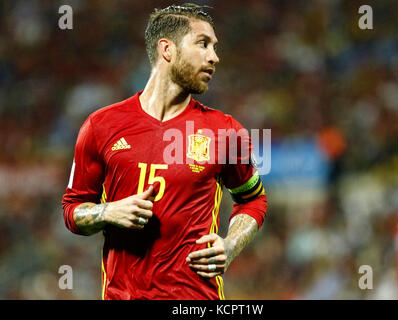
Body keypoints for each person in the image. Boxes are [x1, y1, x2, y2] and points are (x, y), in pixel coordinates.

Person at [62, 4, 267, 300]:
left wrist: (231, 244)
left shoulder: (225, 131)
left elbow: (253, 200)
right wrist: (108, 211)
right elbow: (73, 210)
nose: (214, 57)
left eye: (215, 47)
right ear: (167, 50)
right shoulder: (100, 126)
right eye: (203, 44)